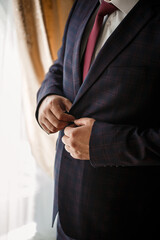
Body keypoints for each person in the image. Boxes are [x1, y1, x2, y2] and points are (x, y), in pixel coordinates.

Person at [35, 0, 160, 239]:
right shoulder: (83, 4)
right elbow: (61, 65)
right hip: (67, 213)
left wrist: (105, 144)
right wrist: (47, 97)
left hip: (131, 220)